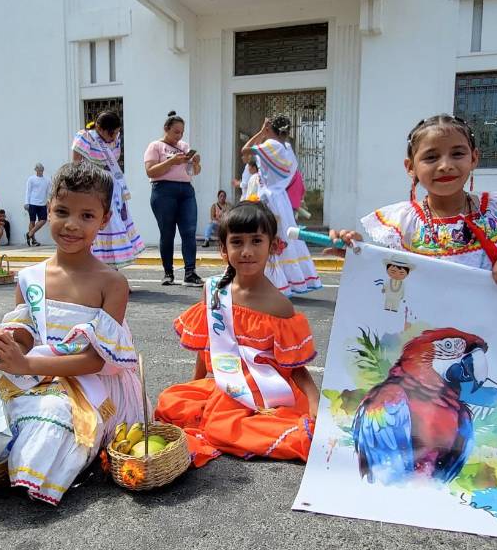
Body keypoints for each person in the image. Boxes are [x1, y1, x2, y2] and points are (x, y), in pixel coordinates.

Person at [0, 162, 144, 504]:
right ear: (48, 210)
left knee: (55, 415)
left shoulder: (112, 283)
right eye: (62, 211)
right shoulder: (29, 278)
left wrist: (27, 366)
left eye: (87, 216)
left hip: (92, 381)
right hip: (39, 373)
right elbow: (27, 337)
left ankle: (32, 471)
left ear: (104, 220)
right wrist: (2, 344)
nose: (72, 224)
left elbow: (93, 361)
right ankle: (4, 464)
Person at [155, 202, 318, 467]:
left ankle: (286, 433)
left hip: (265, 388)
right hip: (226, 380)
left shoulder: (279, 305)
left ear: (273, 246)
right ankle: (234, 422)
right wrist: (195, 385)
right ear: (223, 249)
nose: (247, 251)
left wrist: (313, 399)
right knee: (170, 400)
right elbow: (207, 345)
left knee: (221, 425)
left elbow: (296, 366)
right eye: (237, 242)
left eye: (256, 241)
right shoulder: (214, 291)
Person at [328, 114, 497, 289]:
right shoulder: (402, 223)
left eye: (457, 154)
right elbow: (391, 280)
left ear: (473, 158)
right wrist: (357, 254)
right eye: (431, 157)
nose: (445, 165)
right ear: (411, 167)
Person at [240, 115, 322, 296]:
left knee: (266, 236)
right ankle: (288, 280)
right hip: (281, 199)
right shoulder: (287, 150)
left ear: (270, 129)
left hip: (268, 198)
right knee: (284, 237)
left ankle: (272, 281)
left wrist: (261, 132)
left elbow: (245, 151)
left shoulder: (270, 146)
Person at [73, 113, 145, 268]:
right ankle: (96, 274)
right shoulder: (86, 136)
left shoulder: (115, 140)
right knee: (99, 227)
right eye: (111, 132)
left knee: (115, 225)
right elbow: (76, 163)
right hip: (93, 187)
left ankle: (113, 274)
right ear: (99, 128)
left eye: (117, 132)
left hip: (113, 189)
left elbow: (114, 161)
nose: (114, 136)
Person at [144, 111, 202, 286]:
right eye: (176, 132)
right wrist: (171, 162)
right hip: (163, 191)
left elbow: (193, 172)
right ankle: (168, 273)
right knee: (167, 233)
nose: (179, 136)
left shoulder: (184, 146)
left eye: (182, 132)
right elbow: (150, 171)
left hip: (186, 191)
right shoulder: (155, 146)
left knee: (189, 231)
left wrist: (196, 163)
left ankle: (190, 272)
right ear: (166, 129)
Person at [23, 162, 49, 246]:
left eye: (41, 169)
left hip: (42, 204)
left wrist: (49, 202)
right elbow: (28, 191)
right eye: (38, 169)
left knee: (43, 220)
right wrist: (26, 203)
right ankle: (33, 240)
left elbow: (49, 192)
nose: (40, 171)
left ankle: (29, 234)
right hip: (32, 203)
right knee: (32, 221)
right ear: (36, 170)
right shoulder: (31, 179)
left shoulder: (47, 180)